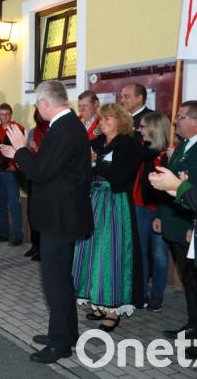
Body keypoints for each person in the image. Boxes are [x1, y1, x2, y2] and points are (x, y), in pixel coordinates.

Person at [0, 81, 93, 364]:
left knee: (55, 282)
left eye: (36, 104)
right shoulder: (67, 126)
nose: (37, 110)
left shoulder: (63, 129)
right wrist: (20, 155)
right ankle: (68, 333)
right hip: (61, 215)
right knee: (61, 279)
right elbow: (50, 169)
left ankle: (59, 343)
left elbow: (40, 173)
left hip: (60, 218)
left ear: (44, 103)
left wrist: (20, 150)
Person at [150, 91, 197, 356]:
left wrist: (193, 224)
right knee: (190, 281)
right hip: (175, 219)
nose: (175, 121)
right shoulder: (183, 145)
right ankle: (196, 325)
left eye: (181, 116)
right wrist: (160, 213)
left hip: (191, 224)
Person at [71, 103, 144, 334]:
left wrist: (95, 162)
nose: (102, 123)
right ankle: (99, 302)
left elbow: (121, 177)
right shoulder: (97, 143)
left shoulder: (128, 144)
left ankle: (113, 309)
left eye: (107, 119)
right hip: (94, 201)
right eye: (101, 119)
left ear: (120, 120)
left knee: (111, 253)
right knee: (92, 252)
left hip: (115, 203)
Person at [134, 112, 172, 311]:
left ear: (154, 128)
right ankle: (141, 295)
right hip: (139, 207)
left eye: (142, 126)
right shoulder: (141, 149)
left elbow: (168, 190)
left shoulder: (166, 155)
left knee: (159, 256)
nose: (139, 130)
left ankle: (156, 296)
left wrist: (161, 214)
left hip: (159, 210)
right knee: (140, 254)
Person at [0, 103, 26, 245]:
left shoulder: (18, 129)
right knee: (0, 203)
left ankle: (17, 235)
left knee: (13, 204)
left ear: (11, 114)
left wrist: (14, 165)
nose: (4, 116)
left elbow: (22, 150)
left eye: (7, 114)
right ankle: (3, 233)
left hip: (11, 172)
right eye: (2, 114)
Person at [23, 109, 49, 261]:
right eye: (37, 113)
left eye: (41, 112)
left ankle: (43, 248)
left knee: (43, 213)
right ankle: (35, 245)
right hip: (33, 176)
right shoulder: (33, 131)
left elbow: (49, 157)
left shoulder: (52, 131)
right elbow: (27, 152)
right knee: (32, 212)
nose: (39, 116)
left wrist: (37, 149)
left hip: (46, 178)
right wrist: (28, 149)